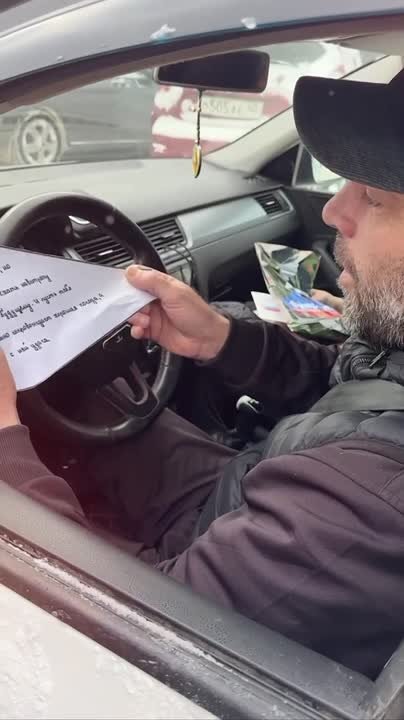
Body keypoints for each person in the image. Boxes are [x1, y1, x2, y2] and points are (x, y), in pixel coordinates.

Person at [2, 68, 404, 680]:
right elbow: (362, 391)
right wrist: (222, 339)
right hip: (251, 492)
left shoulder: (366, 513)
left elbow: (130, 639)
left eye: (374, 198)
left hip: (176, 601)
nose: (334, 210)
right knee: (90, 405)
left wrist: (6, 439)